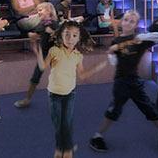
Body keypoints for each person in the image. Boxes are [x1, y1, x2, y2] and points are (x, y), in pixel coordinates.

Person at [88, 10, 158, 152]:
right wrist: (111, 52)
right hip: (120, 81)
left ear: (136, 24)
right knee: (113, 110)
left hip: (135, 82)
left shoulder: (139, 39)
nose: (128, 23)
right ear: (121, 21)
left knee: (150, 109)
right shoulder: (116, 41)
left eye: (132, 21)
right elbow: (115, 63)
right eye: (126, 20)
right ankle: (97, 137)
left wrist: (142, 37)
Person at [32, 20, 108, 158]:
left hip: (70, 94)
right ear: (61, 36)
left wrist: (96, 68)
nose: (70, 39)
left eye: (74, 35)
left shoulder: (78, 56)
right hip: (54, 94)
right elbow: (43, 67)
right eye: (67, 34)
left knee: (67, 124)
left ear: (79, 38)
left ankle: (65, 151)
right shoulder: (54, 51)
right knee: (58, 125)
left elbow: (82, 75)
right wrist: (37, 51)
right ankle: (63, 146)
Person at [14, 2, 59, 108]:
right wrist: (32, 35)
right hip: (43, 54)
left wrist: (52, 32)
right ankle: (27, 99)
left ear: (48, 11)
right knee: (35, 77)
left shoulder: (54, 24)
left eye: (40, 10)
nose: (38, 13)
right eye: (37, 10)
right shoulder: (42, 24)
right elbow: (37, 35)